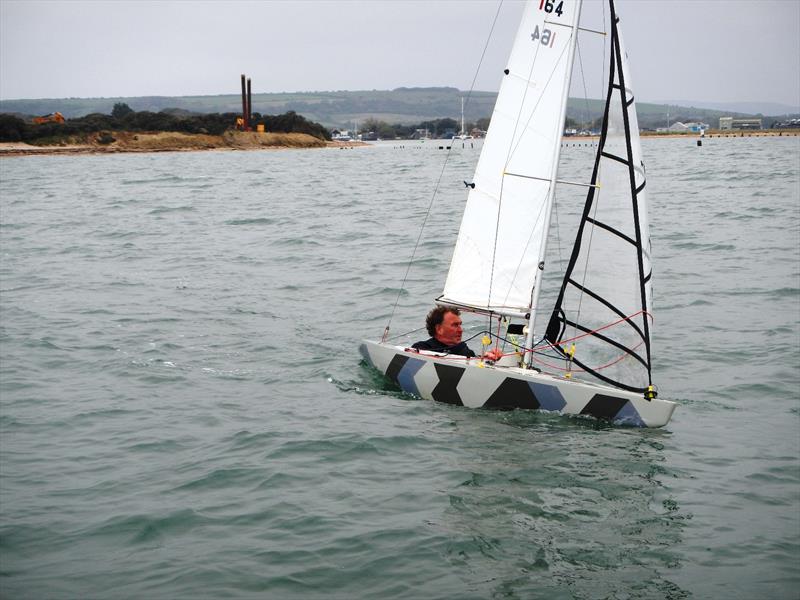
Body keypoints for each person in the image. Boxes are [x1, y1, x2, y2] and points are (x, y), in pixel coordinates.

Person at [411, 306, 502, 361]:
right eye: (455, 325)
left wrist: (487, 358)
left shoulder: (466, 352)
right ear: (439, 329)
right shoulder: (420, 349)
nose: (460, 330)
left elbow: (477, 364)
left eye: (460, 325)